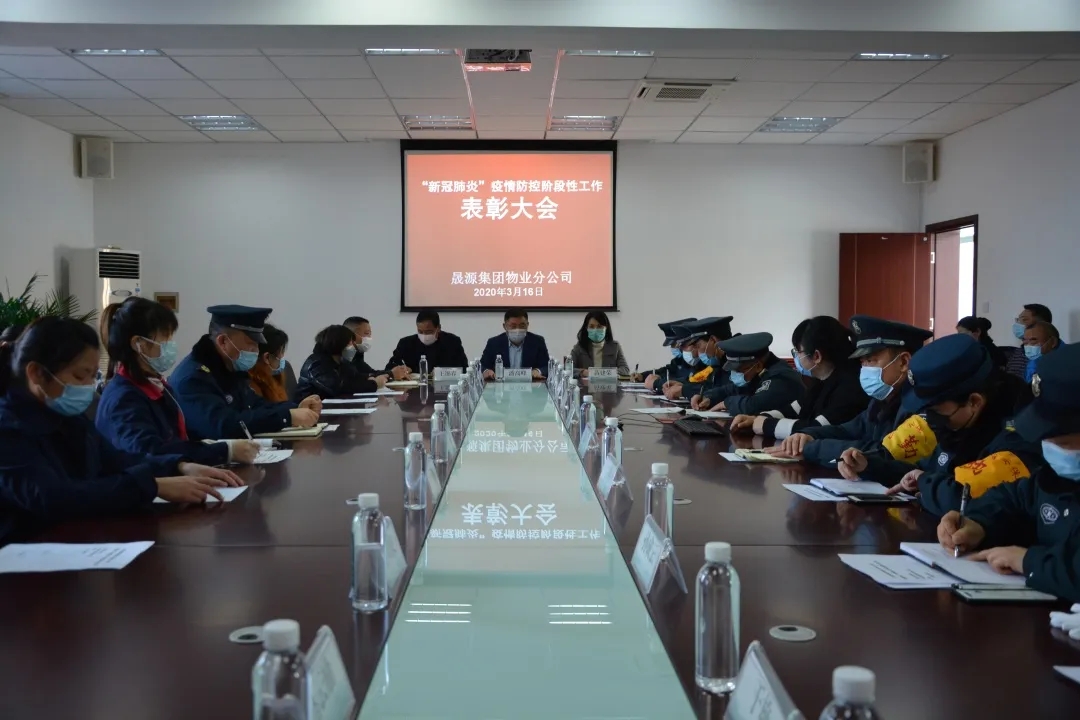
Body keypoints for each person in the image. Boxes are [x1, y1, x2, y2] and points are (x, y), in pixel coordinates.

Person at [0, 317, 243, 543]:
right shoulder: (8, 428)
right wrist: (152, 486)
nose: (88, 387)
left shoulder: (67, 416)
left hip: (79, 539)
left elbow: (116, 460)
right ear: (37, 373)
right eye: (80, 376)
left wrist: (179, 466)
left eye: (92, 376)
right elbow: (53, 497)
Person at [936, 343, 1080, 601]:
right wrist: (978, 524)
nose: (1050, 448)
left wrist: (1028, 562)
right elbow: (1015, 497)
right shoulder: (1058, 477)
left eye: (1063, 442)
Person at [845, 334, 1039, 517]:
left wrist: (925, 482)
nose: (929, 419)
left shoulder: (1019, 434)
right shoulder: (957, 424)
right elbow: (923, 472)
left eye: (935, 411)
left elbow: (962, 497)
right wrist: (869, 465)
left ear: (974, 402)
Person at [96, 298, 260, 466]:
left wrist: (207, 446)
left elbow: (175, 442)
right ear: (139, 344)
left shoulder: (157, 386)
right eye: (165, 338)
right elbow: (149, 452)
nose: (171, 345)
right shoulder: (124, 398)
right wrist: (225, 451)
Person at [767, 316, 934, 466]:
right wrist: (807, 435)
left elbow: (883, 452)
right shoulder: (882, 400)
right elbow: (848, 430)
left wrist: (812, 448)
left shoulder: (923, 404)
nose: (865, 369)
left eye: (871, 360)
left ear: (904, 362)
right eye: (862, 362)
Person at [171, 305, 321, 439]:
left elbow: (256, 405)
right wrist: (286, 417)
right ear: (223, 342)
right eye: (251, 344)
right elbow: (223, 425)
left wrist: (295, 408)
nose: (256, 351)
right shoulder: (194, 378)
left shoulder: (229, 368)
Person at [729, 316, 868, 439]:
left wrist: (766, 425)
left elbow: (818, 428)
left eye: (797, 351)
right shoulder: (821, 380)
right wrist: (756, 419)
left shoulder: (851, 385)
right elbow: (794, 409)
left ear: (816, 356)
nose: (796, 356)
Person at [685, 332, 804, 415]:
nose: (733, 375)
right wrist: (708, 397)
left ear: (757, 366)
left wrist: (727, 403)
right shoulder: (758, 372)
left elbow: (754, 406)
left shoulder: (780, 376)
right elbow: (731, 389)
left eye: (737, 370)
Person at [296, 324, 380, 399]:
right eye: (350, 342)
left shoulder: (341, 361)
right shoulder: (316, 364)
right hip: (309, 408)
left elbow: (354, 377)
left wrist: (368, 378)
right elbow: (337, 388)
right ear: (339, 343)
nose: (353, 346)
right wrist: (374, 384)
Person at [659, 317, 735, 401]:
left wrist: (684, 390)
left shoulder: (737, 359)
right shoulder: (719, 361)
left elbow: (729, 391)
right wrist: (684, 386)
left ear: (713, 340)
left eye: (698, 346)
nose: (695, 354)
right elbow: (709, 385)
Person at [385, 309, 468, 378]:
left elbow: (464, 370)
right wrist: (400, 370)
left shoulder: (452, 342)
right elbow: (389, 369)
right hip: (413, 389)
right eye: (420, 331)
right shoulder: (406, 343)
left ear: (438, 328)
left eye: (428, 332)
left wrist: (442, 372)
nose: (424, 335)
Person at [480, 308, 550, 379]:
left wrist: (538, 371)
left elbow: (547, 366)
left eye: (522, 326)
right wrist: (487, 371)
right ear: (505, 326)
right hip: (501, 384)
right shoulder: (494, 343)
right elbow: (482, 366)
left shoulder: (537, 341)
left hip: (530, 384)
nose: (518, 329)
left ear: (527, 325)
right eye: (513, 326)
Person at [570, 311, 632, 378]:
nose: (595, 330)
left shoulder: (615, 347)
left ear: (606, 328)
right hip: (586, 384)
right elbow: (568, 369)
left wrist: (607, 373)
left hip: (608, 384)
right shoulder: (579, 347)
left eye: (599, 326)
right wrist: (583, 372)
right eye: (591, 326)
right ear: (586, 328)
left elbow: (625, 369)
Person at [641, 318, 698, 392]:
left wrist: (657, 383)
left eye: (674, 344)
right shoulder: (679, 360)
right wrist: (642, 376)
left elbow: (691, 382)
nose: (673, 348)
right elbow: (665, 371)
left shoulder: (701, 362)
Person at [1005, 303, 1052, 380]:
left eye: (1024, 320)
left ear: (1041, 323)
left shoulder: (1049, 354)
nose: (1018, 324)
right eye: (1018, 320)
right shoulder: (1019, 351)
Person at [248, 323, 290, 403]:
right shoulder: (252, 388)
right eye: (281, 352)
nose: (282, 356)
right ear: (267, 357)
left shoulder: (273, 378)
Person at [343, 316, 389, 388]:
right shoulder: (340, 356)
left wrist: (392, 373)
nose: (369, 338)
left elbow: (367, 373)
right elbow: (348, 383)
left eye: (370, 334)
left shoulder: (357, 354)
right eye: (367, 333)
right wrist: (374, 384)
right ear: (351, 335)